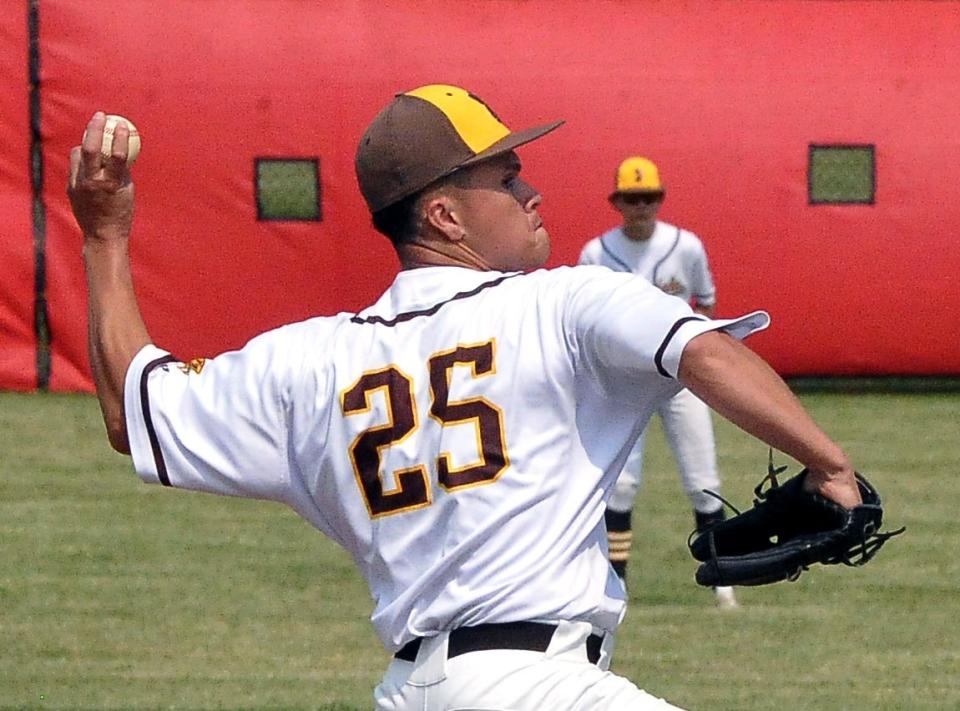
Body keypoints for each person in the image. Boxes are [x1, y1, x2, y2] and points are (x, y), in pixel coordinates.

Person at [68, 85, 862, 710]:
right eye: (505, 175)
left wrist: (104, 236)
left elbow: (134, 410)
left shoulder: (309, 360)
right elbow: (704, 348)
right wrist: (829, 466)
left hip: (414, 691)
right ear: (444, 214)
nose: (531, 189)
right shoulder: (563, 302)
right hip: (541, 688)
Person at [578, 156, 736, 609]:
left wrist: (688, 351)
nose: (641, 206)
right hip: (624, 379)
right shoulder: (597, 252)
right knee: (621, 483)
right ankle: (616, 583)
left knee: (702, 477)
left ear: (661, 199)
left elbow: (705, 301)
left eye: (649, 197)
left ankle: (721, 580)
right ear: (617, 201)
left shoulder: (684, 246)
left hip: (680, 377)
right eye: (632, 197)